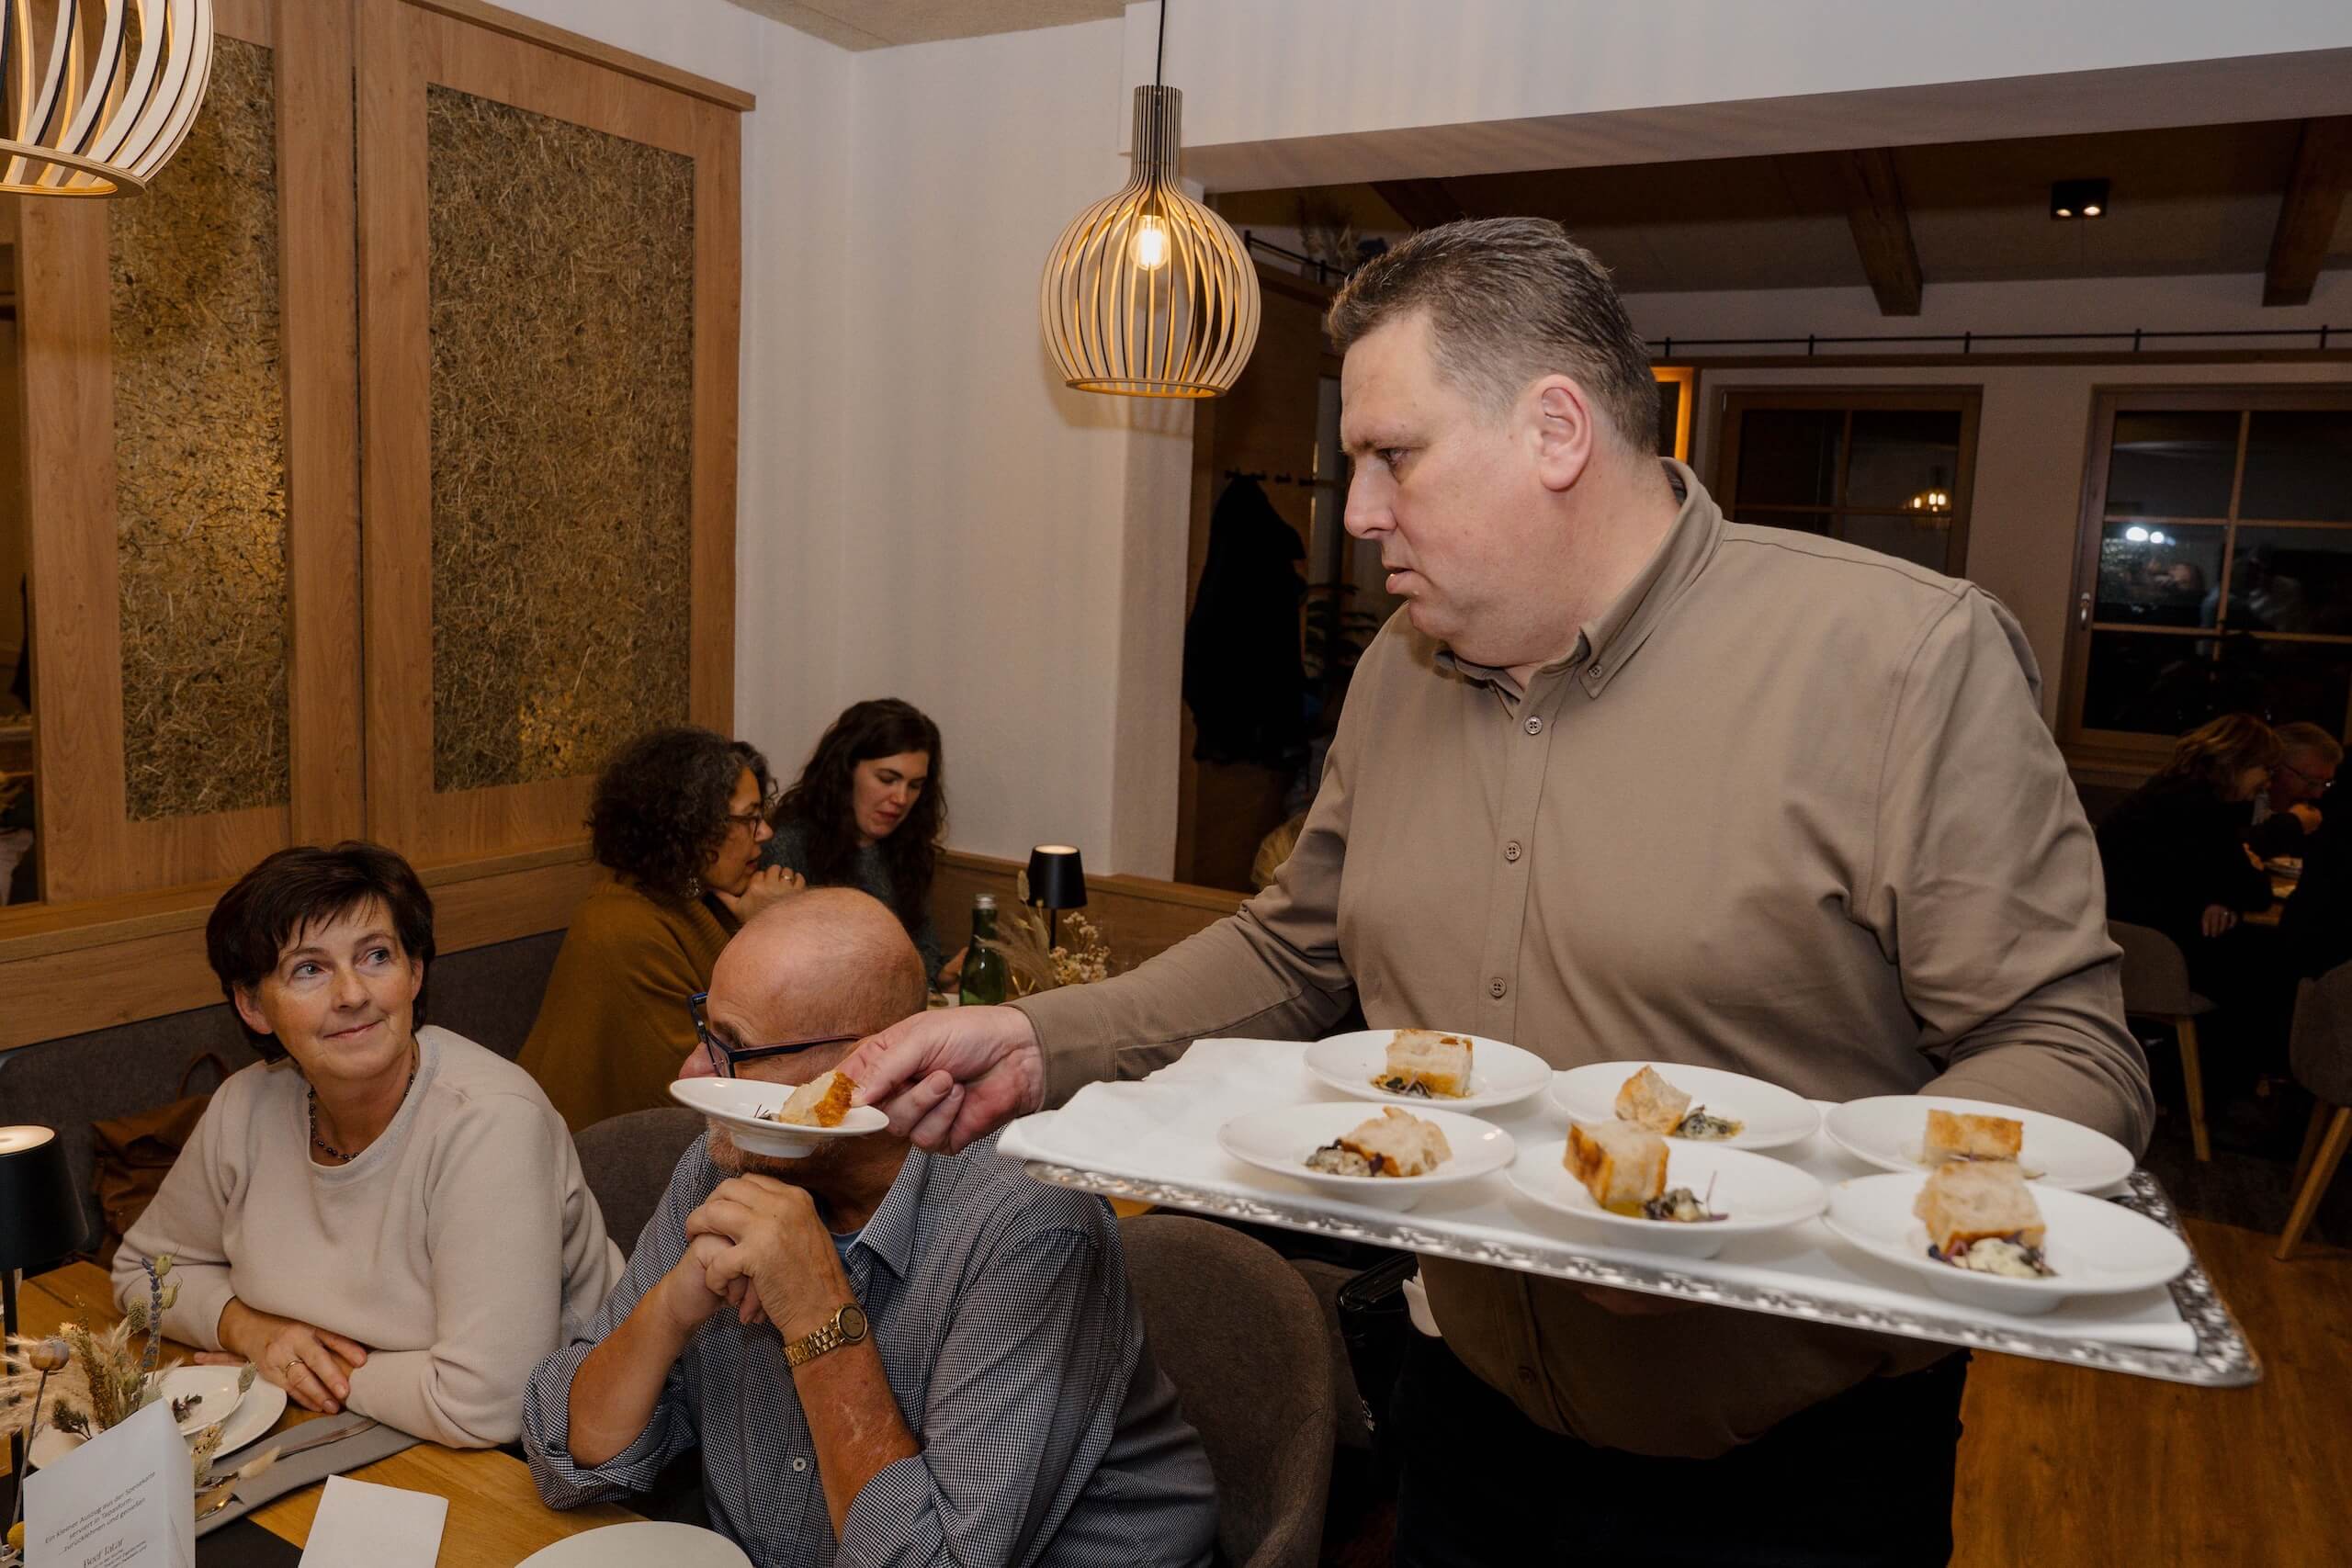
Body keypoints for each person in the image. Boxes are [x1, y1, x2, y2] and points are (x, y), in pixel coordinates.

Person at [842, 218, 2151, 1567]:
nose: (1354, 511)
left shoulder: (1899, 663)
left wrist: (1774, 1225)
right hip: (1464, 1427)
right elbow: (1297, 953)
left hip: (1792, 1479)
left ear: (1556, 430)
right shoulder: (1397, 675)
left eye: (1390, 455)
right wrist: (1037, 1037)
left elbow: (2065, 1048)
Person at [521, 889, 1218, 1567]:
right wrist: (669, 1308)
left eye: (734, 1048)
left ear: (856, 1075)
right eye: (706, 1029)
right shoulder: (721, 1168)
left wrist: (819, 1313)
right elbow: (564, 1454)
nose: (695, 1072)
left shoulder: (1028, 1222)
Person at [113, 843, 622, 1449]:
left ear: (415, 973)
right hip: (354, 1431)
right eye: (309, 968)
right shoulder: (244, 1106)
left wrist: (298, 1373)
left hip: (548, 1462)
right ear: (253, 1004)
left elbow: (489, 1406)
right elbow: (140, 1271)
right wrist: (249, 1330)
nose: (352, 993)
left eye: (376, 955)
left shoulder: (489, 1123)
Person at [521, 727, 802, 1131]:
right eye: (750, 818)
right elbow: (708, 1090)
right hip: (609, 1164)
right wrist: (772, 931)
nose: (766, 833)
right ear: (695, 826)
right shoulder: (624, 927)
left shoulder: (698, 897)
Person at [763, 699, 950, 985]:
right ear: (846, 771)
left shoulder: (907, 849)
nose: (901, 798)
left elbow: (925, 946)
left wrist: (942, 972)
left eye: (914, 786)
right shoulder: (790, 845)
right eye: (887, 779)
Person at [2098, 714, 2282, 987]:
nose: (2268, 783)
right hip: (2154, 951)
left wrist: (2221, 897)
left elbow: (2200, 872)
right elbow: (2255, 892)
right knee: (2271, 963)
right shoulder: (2200, 809)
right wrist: (2246, 873)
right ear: (2239, 762)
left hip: (2122, 935)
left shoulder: (2168, 791)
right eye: (2267, 770)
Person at [2248, 720, 2339, 859]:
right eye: (2311, 782)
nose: (2317, 794)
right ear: (2275, 765)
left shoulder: (2320, 812)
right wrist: (2292, 824)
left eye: (2326, 783)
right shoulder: (2238, 795)